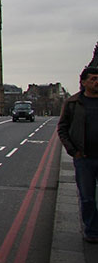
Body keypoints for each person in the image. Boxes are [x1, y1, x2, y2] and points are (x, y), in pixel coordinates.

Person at [58, 66, 98, 243]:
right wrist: (73, 151)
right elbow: (63, 128)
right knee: (87, 197)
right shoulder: (73, 103)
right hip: (84, 158)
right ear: (83, 82)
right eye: (93, 79)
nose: (97, 82)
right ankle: (91, 231)